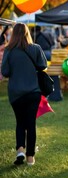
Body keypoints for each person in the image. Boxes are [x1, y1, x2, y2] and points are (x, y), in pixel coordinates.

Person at [1, 23, 48, 166]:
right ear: (27, 33)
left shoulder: (9, 50)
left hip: (15, 93)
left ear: (13, 34)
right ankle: (30, 158)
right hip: (33, 91)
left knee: (20, 122)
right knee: (31, 124)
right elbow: (43, 65)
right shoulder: (35, 48)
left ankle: (20, 150)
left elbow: (5, 72)